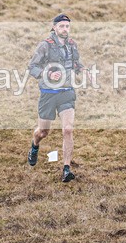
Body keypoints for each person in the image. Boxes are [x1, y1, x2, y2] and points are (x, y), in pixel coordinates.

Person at [26, 13, 92, 182]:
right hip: (48, 94)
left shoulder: (71, 44)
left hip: (67, 92)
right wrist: (48, 73)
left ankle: (66, 169)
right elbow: (32, 67)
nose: (65, 29)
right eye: (61, 26)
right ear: (54, 27)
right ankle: (34, 146)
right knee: (43, 132)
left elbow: (75, 63)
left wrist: (83, 70)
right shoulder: (45, 45)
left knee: (68, 130)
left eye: (67, 26)